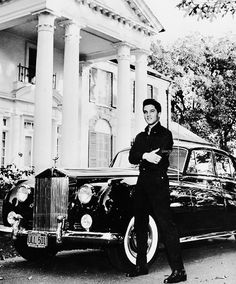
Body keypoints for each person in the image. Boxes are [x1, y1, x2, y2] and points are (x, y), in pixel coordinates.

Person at [127, 98, 187, 283]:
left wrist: (142, 156)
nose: (148, 114)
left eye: (151, 111)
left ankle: (179, 271)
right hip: (142, 183)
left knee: (166, 226)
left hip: (158, 183)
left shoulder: (166, 134)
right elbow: (132, 157)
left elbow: (159, 157)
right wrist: (145, 154)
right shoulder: (140, 136)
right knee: (140, 225)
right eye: (145, 112)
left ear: (158, 113)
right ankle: (141, 266)